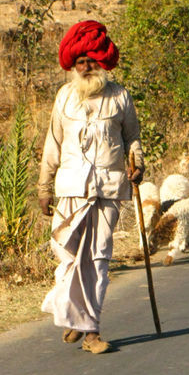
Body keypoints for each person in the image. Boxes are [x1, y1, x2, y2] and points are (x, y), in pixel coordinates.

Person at [37, 20, 144, 354]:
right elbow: (52, 143)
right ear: (73, 64)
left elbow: (133, 138)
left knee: (97, 259)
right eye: (80, 62)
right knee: (67, 255)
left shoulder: (119, 97)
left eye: (91, 61)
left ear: (102, 63)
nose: (85, 67)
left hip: (109, 189)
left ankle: (91, 332)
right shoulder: (64, 98)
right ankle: (72, 315)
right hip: (70, 187)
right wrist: (44, 186)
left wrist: (137, 164)